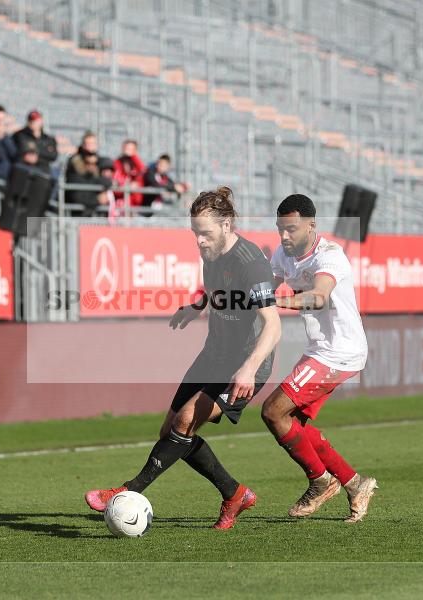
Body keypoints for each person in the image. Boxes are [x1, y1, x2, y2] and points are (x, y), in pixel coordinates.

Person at [85, 186, 281, 529]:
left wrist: (248, 369)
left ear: (227, 225)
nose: (199, 242)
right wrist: (197, 306)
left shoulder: (253, 265)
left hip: (246, 363)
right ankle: (234, 493)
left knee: (184, 423)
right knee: (172, 430)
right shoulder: (211, 254)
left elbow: (273, 326)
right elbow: (216, 290)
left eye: (205, 233)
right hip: (214, 353)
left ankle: (126, 492)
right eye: (195, 233)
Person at [261, 194, 377, 523]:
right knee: (289, 422)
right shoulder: (284, 255)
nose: (284, 237)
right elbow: (264, 289)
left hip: (340, 351)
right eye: (280, 229)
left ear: (312, 226)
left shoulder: (330, 256)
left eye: (292, 229)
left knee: (273, 412)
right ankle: (356, 484)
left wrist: (276, 300)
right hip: (321, 349)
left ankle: (321, 482)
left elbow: (318, 296)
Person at [112, 139, 145, 207]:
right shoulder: (116, 164)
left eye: (131, 149)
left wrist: (134, 156)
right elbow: (114, 186)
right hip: (120, 205)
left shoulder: (138, 165)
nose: (128, 151)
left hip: (136, 205)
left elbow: (143, 173)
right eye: (127, 148)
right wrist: (127, 187)